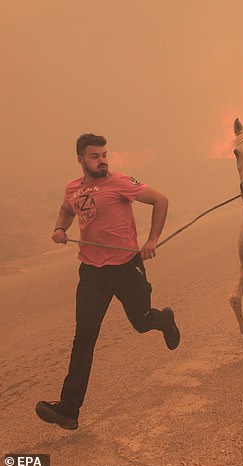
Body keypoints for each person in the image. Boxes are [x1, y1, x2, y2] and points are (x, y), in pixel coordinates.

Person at [35, 133, 180, 430]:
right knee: (84, 338)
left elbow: (160, 201)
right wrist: (60, 228)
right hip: (92, 271)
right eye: (94, 156)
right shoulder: (73, 189)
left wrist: (152, 239)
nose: (102, 160)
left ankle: (164, 320)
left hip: (126, 266)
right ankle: (69, 408)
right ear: (80, 160)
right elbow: (66, 211)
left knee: (141, 322)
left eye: (104, 155)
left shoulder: (121, 182)